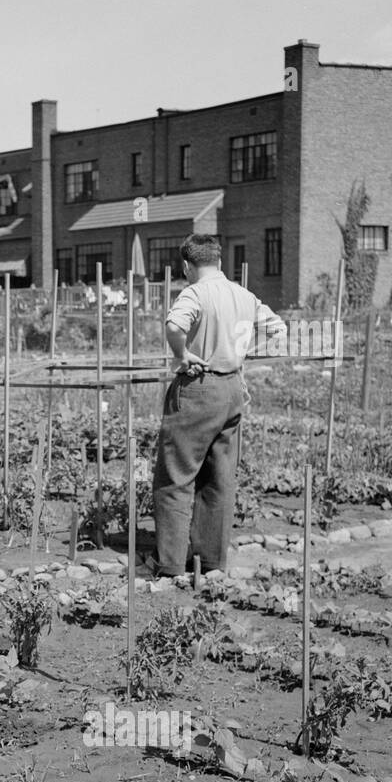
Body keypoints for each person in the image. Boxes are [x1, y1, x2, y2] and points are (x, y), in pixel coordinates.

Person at [152, 233, 286, 576]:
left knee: (176, 475)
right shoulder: (244, 295)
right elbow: (279, 329)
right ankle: (211, 562)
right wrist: (242, 354)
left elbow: (174, 324)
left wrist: (182, 355)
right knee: (219, 479)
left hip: (199, 386)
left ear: (186, 266)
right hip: (232, 390)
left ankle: (169, 564)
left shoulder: (194, 292)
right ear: (220, 261)